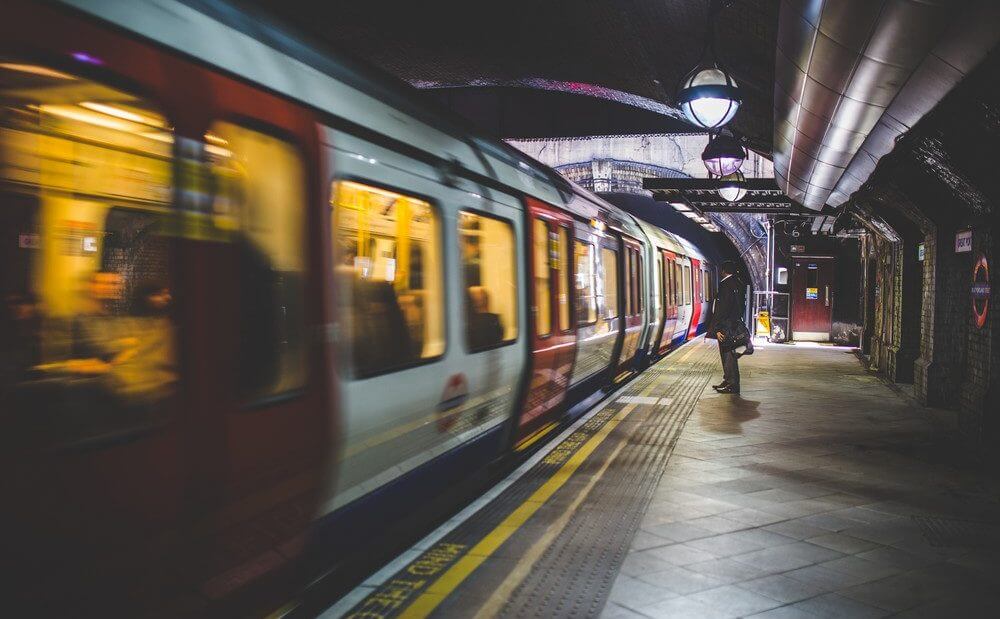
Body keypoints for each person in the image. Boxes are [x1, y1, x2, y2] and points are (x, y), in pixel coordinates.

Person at [709, 260, 746, 395]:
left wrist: (717, 329)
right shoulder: (738, 283)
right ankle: (728, 380)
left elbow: (722, 309)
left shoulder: (726, 285)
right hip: (733, 324)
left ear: (724, 271)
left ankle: (732, 384)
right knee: (730, 355)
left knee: (728, 355)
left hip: (726, 326)